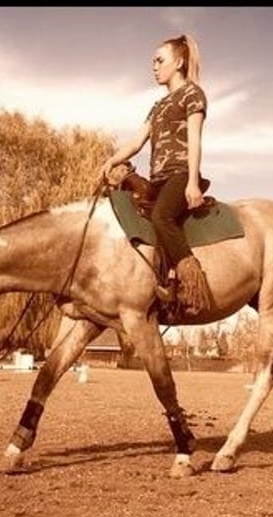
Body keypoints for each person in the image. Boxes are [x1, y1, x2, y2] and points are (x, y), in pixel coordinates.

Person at [100, 33, 212, 316]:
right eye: (152, 61)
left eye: (159, 60)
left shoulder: (192, 94)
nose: (154, 66)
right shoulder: (158, 105)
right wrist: (112, 160)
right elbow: (137, 142)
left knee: (162, 216)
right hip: (159, 179)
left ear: (179, 61)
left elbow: (195, 139)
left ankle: (190, 282)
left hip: (180, 174)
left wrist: (191, 183)